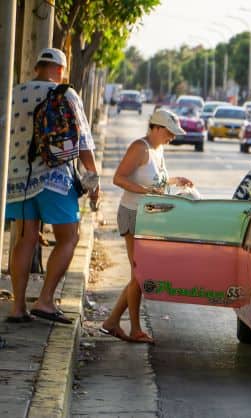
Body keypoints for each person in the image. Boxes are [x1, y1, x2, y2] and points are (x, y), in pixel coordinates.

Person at [5, 48, 100, 324]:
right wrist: (93, 182)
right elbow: (83, 142)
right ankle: (46, 301)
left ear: (37, 67)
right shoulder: (66, 94)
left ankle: (17, 307)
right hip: (55, 178)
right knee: (69, 237)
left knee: (27, 239)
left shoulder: (17, 93)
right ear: (60, 69)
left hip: (18, 180)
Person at [100, 109, 193, 344]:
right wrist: (145, 192)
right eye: (170, 132)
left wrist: (176, 181)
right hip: (133, 214)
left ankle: (112, 322)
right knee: (139, 274)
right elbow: (118, 178)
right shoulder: (139, 148)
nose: (172, 137)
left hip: (149, 216)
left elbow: (156, 181)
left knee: (139, 274)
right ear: (157, 128)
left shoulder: (158, 149)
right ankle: (134, 329)